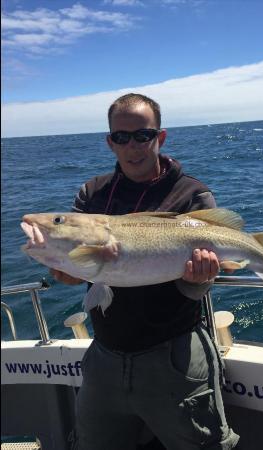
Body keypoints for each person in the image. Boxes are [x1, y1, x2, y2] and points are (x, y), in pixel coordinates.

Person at [51, 93, 239, 450]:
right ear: (110, 142)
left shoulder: (191, 195)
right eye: (121, 137)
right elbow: (83, 264)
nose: (132, 146)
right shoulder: (92, 194)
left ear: (160, 137)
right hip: (105, 353)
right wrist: (70, 271)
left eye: (143, 135)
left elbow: (198, 285)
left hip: (174, 356)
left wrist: (201, 280)